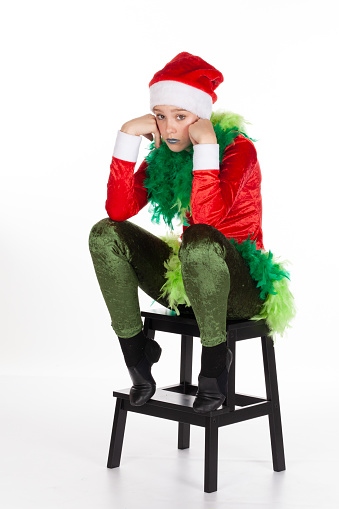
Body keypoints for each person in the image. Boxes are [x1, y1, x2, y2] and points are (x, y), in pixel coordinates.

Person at [88, 52, 294, 414]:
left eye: (180, 117)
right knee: (105, 235)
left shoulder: (238, 151)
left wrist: (207, 148)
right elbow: (119, 211)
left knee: (199, 242)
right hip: (190, 283)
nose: (168, 129)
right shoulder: (165, 153)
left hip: (241, 288)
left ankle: (214, 367)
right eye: (160, 116)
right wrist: (127, 136)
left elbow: (207, 219)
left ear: (201, 118)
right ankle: (138, 356)